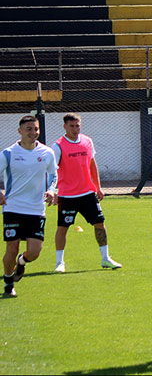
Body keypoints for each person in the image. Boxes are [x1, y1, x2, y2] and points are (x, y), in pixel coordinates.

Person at [52, 113, 120, 272]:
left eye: (77, 125)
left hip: (87, 193)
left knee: (100, 224)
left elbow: (92, 164)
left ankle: (106, 258)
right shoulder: (58, 146)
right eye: (71, 126)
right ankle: (59, 263)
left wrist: (98, 186)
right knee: (63, 227)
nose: (75, 129)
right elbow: (52, 171)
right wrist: (53, 191)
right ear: (65, 127)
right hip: (67, 195)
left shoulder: (87, 141)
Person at [1, 116, 57, 298]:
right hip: (13, 208)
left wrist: (51, 191)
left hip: (36, 209)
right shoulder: (8, 153)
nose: (33, 133)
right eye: (29, 129)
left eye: (36, 129)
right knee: (12, 248)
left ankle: (21, 262)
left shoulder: (47, 153)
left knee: (34, 252)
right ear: (20, 131)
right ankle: (9, 284)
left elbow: (53, 175)